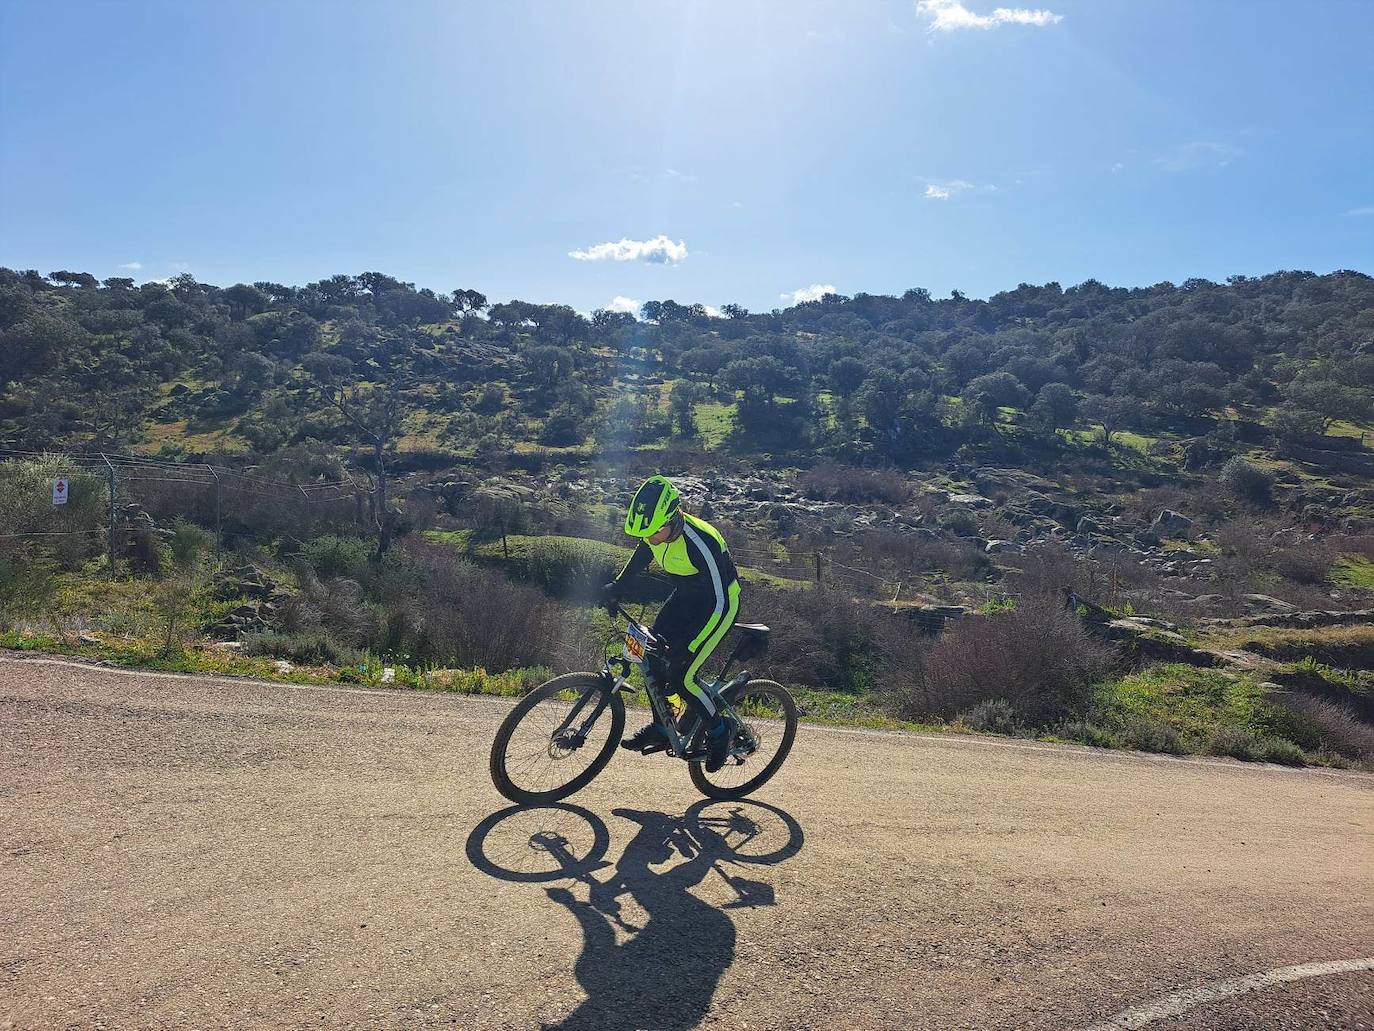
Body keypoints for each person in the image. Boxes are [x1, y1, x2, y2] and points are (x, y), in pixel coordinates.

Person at [599, 475, 741, 773]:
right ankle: (663, 727)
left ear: (674, 518)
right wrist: (617, 587)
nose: (650, 540)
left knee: (682, 676)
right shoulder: (656, 532)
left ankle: (719, 732)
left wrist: (687, 648)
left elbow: (719, 601)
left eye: (655, 533)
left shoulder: (701, 541)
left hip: (719, 604)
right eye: (646, 535)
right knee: (651, 655)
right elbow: (642, 555)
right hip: (687, 596)